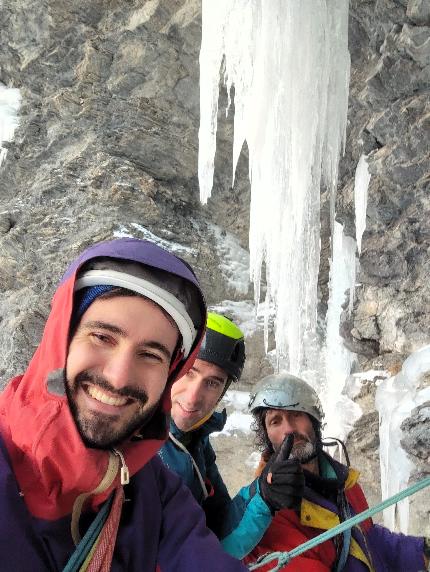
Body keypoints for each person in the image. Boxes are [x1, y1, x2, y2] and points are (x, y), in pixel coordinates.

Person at [0, 238, 249, 571]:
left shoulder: (154, 489)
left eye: (150, 355)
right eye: (103, 337)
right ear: (62, 337)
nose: (118, 378)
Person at [242, 372, 429, 572]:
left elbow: (368, 540)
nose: (289, 429)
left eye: (296, 414)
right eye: (275, 421)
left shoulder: (344, 483)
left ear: (313, 419)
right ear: (267, 436)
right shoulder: (266, 515)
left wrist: (423, 552)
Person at [159, 313, 300, 559]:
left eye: (212, 383)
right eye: (189, 372)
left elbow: (218, 532)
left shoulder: (194, 442)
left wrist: (263, 496)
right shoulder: (140, 445)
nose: (193, 397)